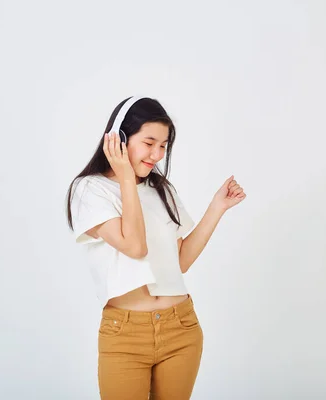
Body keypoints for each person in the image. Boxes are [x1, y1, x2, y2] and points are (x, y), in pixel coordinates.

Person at [65, 96, 246, 399]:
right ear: (119, 138)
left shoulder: (161, 189)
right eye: (149, 143)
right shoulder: (89, 189)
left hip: (181, 326)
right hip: (125, 334)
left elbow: (182, 261)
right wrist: (125, 176)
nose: (156, 155)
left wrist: (218, 207)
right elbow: (134, 246)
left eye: (163, 146)